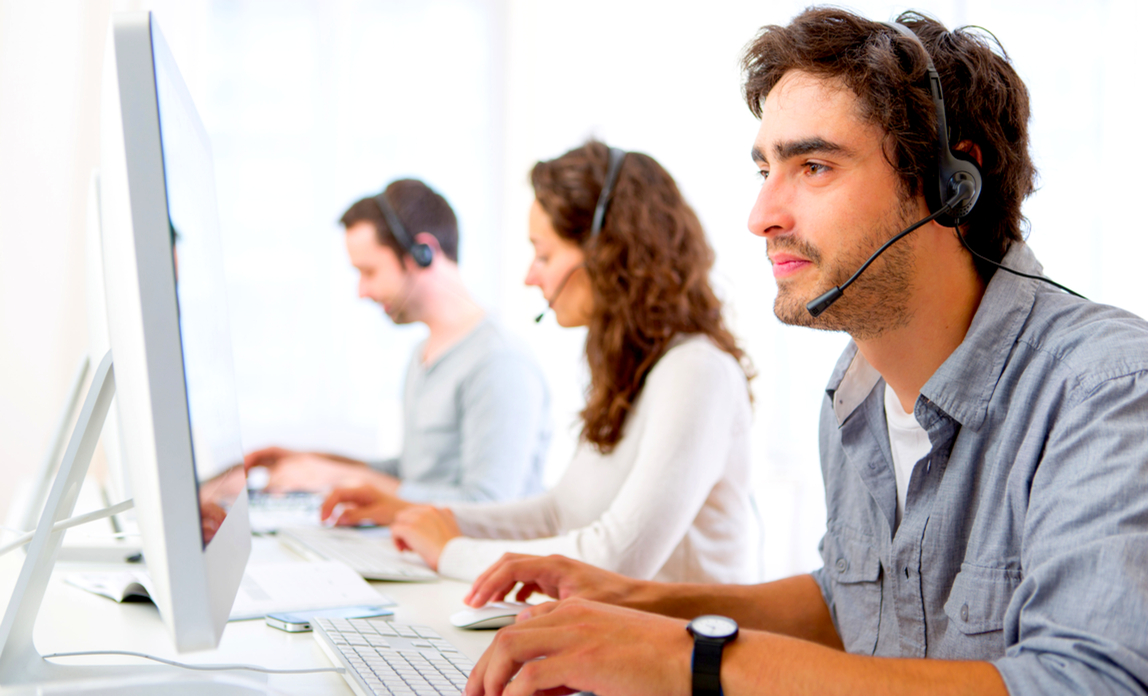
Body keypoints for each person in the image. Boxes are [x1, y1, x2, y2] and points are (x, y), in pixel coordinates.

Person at [459, 9, 1148, 696]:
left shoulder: (1106, 390)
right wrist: (636, 604)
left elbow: (1084, 684)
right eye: (766, 168)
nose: (762, 216)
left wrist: (693, 661)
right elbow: (851, 604)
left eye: (813, 166)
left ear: (949, 188)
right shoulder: (856, 391)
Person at [320, 141, 760, 585]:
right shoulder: (632, 371)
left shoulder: (696, 372)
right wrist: (423, 516)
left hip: (677, 648)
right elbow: (558, 512)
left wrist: (451, 551)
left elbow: (616, 558)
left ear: (607, 252)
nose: (532, 276)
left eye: (545, 255)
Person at [244, 178, 551, 509]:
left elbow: (487, 504)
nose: (362, 291)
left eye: (369, 271)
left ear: (422, 254)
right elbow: (411, 479)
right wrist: (315, 464)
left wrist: (339, 477)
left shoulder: (499, 362)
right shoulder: (425, 354)